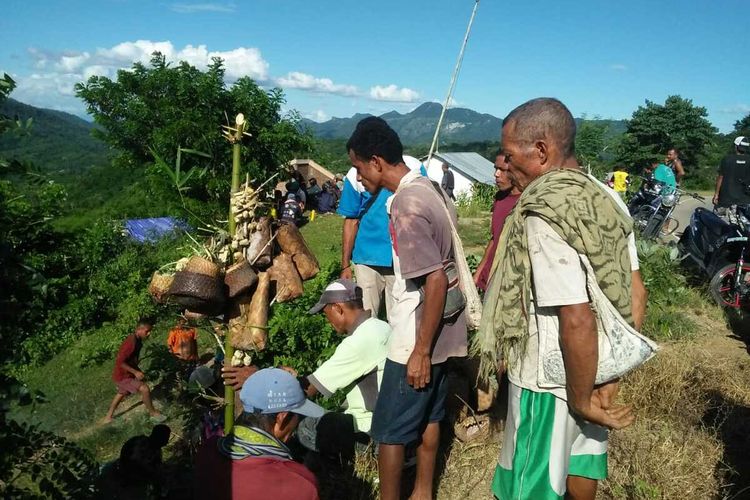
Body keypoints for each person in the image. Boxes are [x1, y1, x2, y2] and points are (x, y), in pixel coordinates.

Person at [477, 98, 648, 500]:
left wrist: (580, 396)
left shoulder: (543, 214)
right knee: (580, 468)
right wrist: (608, 375)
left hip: (549, 384)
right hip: (597, 375)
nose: (505, 161)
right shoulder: (607, 199)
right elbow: (635, 293)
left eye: (510, 152)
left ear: (541, 150)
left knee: (527, 489)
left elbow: (576, 317)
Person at [346, 116, 468, 500]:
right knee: (431, 416)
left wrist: (419, 350)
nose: (358, 176)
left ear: (377, 161)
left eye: (359, 167)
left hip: (417, 334)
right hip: (444, 330)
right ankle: (423, 491)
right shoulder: (429, 188)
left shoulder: (406, 205)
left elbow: (433, 279)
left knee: (389, 431)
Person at [223, 279, 391, 462]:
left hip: (372, 433)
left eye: (327, 315)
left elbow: (305, 390)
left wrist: (258, 378)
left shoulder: (359, 342)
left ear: (338, 308)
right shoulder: (381, 327)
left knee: (306, 426)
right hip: (390, 424)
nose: (329, 323)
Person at [194, 368, 323, 500]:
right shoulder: (300, 485)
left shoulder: (207, 451)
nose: (297, 423)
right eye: (298, 416)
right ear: (282, 418)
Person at [473, 151, 521, 291]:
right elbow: (494, 239)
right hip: (489, 279)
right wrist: (478, 274)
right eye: (496, 168)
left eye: (503, 170)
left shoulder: (525, 202)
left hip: (508, 283)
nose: (496, 174)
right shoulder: (500, 198)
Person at [103, 318, 165, 424]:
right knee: (144, 389)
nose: (149, 334)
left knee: (122, 393)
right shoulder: (131, 343)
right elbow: (120, 361)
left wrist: (137, 370)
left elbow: (130, 360)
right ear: (138, 329)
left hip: (125, 373)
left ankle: (107, 417)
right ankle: (153, 413)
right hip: (123, 375)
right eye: (147, 331)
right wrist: (135, 372)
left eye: (150, 331)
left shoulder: (137, 341)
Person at [97, 425, 172, 499]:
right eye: (165, 438)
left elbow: (155, 469)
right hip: (119, 474)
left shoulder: (156, 452)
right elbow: (134, 463)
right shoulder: (139, 444)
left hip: (131, 479)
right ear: (159, 437)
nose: (166, 442)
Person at [713, 136, 750, 209]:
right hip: (745, 198)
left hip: (726, 198)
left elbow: (720, 178)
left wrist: (716, 194)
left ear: (736, 146)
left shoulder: (727, 159)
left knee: (720, 219)